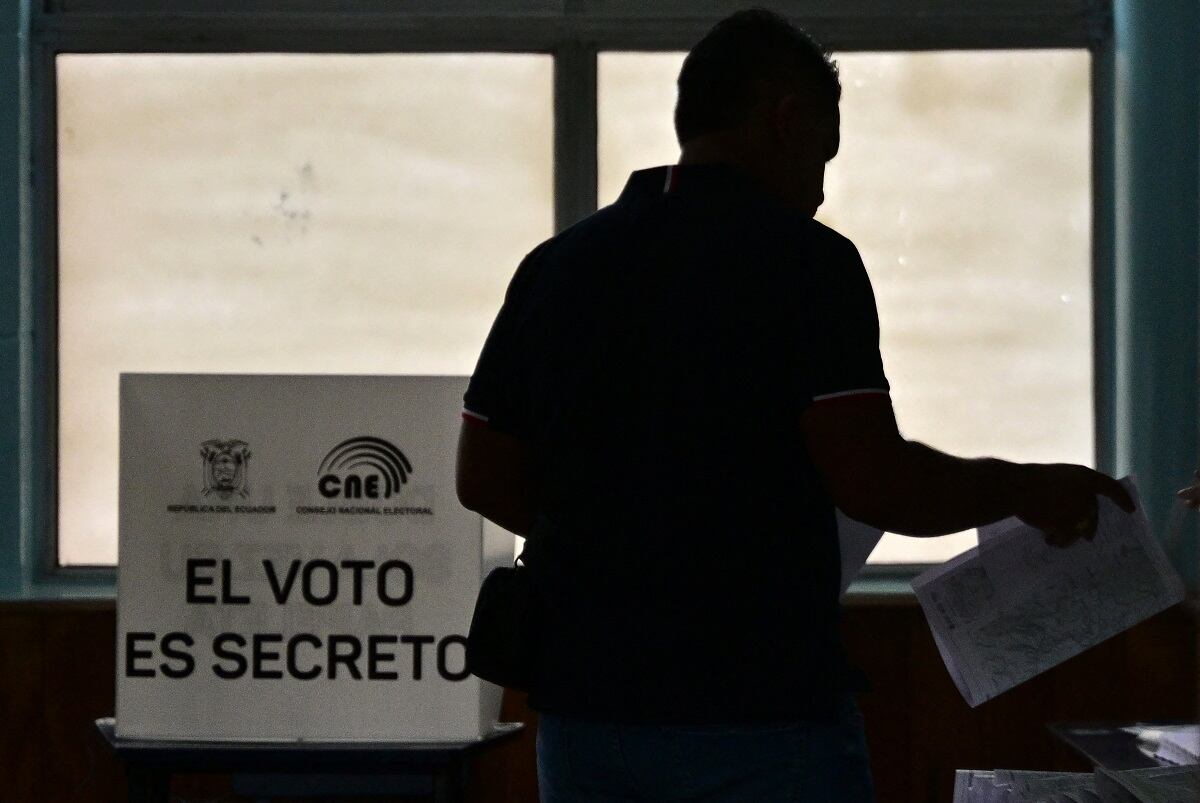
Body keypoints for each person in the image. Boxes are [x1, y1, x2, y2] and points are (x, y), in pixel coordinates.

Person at [456, 8, 1134, 802]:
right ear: (786, 120)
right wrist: (1030, 487)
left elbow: (483, 477)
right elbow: (877, 482)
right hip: (760, 716)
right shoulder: (805, 263)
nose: (818, 189)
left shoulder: (557, 267)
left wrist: (628, 533)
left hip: (589, 721)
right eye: (823, 154)